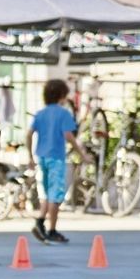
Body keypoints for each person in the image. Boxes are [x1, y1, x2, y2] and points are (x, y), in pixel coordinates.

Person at [26, 79, 90, 244]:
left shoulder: (40, 114)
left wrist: (30, 156)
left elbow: (28, 134)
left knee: (46, 193)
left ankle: (40, 222)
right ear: (62, 96)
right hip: (56, 159)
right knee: (56, 195)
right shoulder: (63, 114)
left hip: (41, 158)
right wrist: (81, 154)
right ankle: (51, 230)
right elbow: (68, 136)